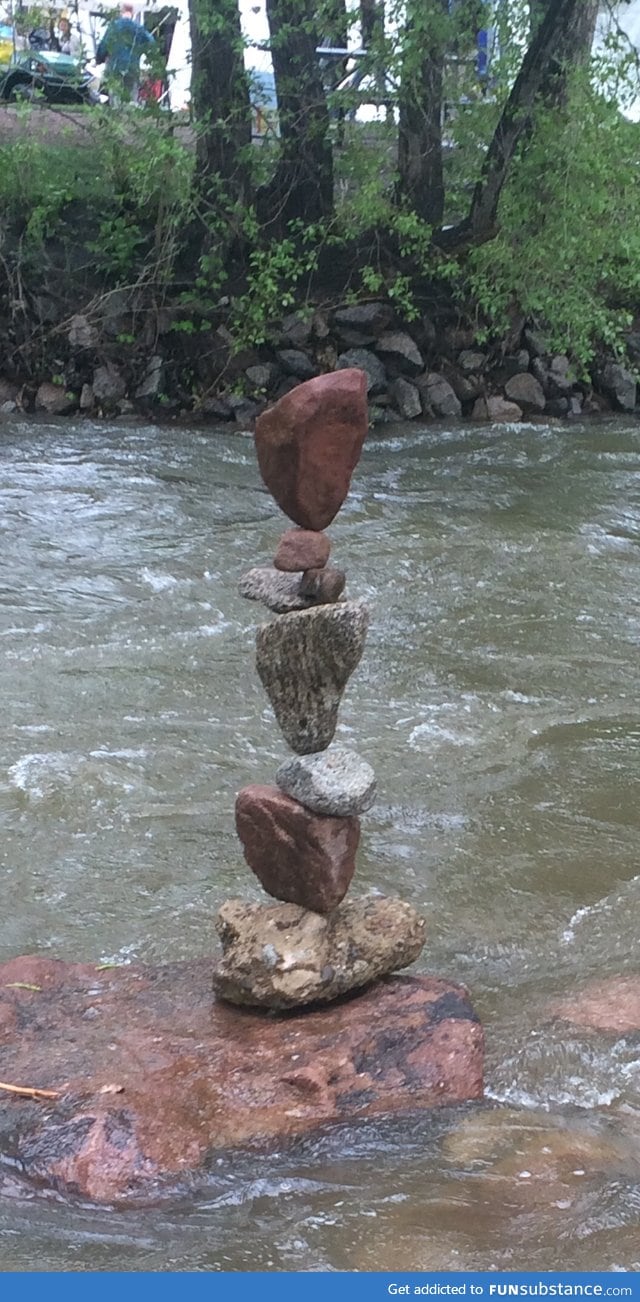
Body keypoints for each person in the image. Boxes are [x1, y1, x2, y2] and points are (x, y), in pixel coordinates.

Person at [96, 3, 155, 106]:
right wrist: (143, 52)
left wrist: (99, 59)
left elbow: (104, 44)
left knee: (115, 95)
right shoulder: (138, 28)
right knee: (131, 96)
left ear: (121, 11)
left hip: (115, 66)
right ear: (132, 12)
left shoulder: (114, 26)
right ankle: (130, 118)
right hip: (132, 66)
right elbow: (151, 43)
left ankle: (116, 116)